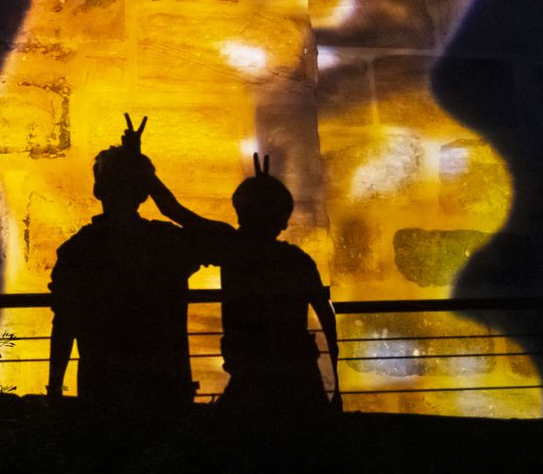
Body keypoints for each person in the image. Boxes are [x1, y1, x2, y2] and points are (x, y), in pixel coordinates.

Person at [148, 149, 340, 412]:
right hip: (299, 376)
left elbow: (174, 210)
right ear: (283, 220)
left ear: (240, 212)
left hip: (249, 372)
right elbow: (326, 318)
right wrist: (338, 386)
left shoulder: (231, 247)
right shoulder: (298, 261)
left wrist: (144, 172)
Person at [47, 129, 202, 412]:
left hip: (101, 389)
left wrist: (54, 388)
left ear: (97, 190)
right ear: (143, 193)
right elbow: (216, 237)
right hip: (164, 389)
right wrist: (156, 189)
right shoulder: (166, 242)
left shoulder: (78, 250)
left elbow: (64, 324)